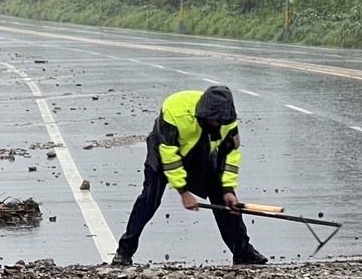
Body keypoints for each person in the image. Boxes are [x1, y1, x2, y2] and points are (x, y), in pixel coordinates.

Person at [111, 86, 267, 266]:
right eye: (213, 120)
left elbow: (230, 156)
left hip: (200, 151)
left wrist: (228, 189)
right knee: (149, 198)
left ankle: (242, 252)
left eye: (220, 121)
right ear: (204, 114)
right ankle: (124, 251)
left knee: (226, 201)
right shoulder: (175, 111)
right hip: (164, 150)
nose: (218, 124)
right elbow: (169, 157)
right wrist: (183, 191)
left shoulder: (227, 119)